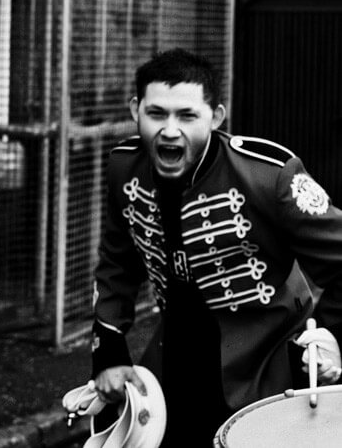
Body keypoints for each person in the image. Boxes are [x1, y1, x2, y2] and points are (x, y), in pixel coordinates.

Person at [91, 48, 342, 446]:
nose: (169, 130)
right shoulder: (125, 166)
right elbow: (116, 263)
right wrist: (109, 351)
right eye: (157, 113)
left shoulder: (269, 175)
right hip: (174, 356)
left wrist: (329, 337)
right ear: (135, 109)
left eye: (187, 116)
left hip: (269, 365)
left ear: (216, 117)